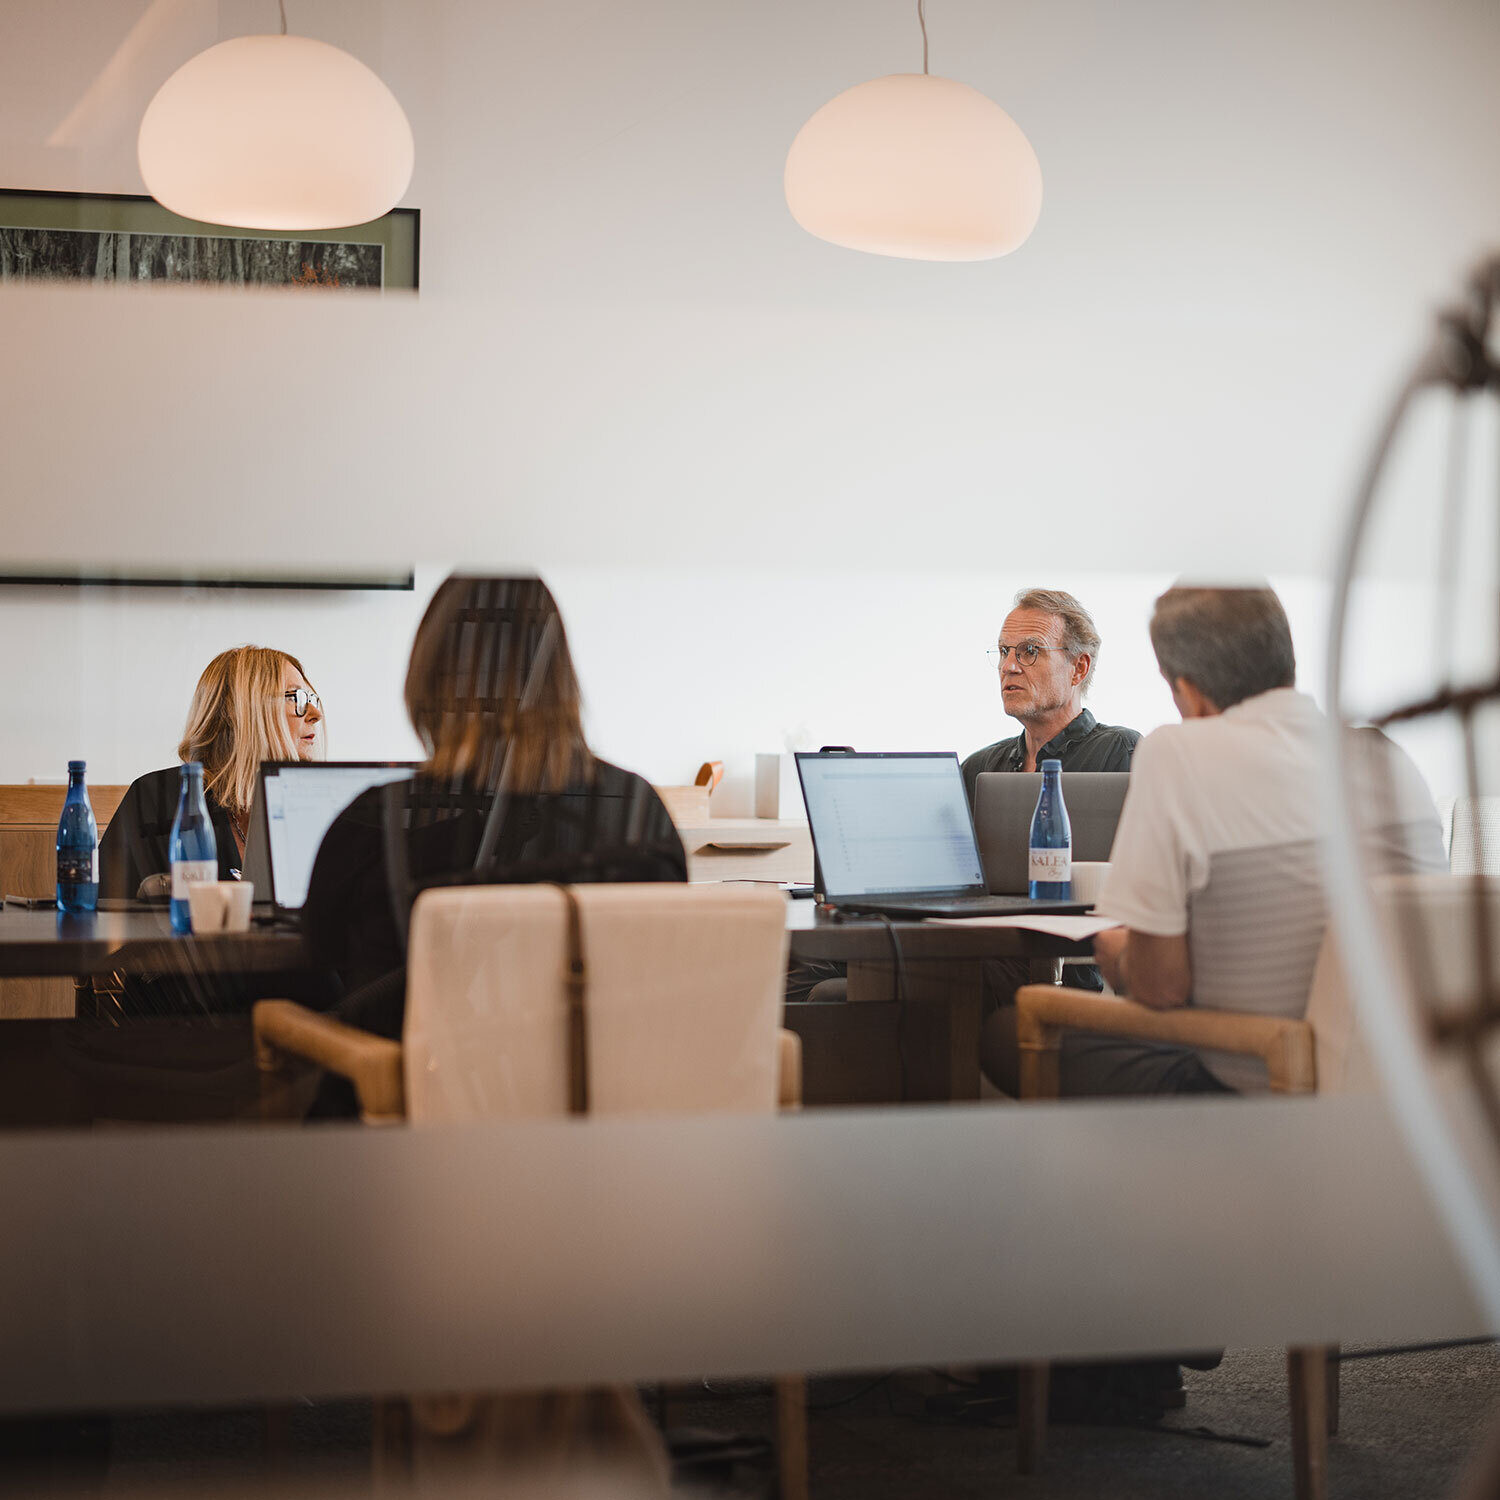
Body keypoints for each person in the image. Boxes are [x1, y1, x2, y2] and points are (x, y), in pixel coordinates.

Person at [983, 583, 1446, 1098]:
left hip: (1257, 1080)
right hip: (1409, 1099)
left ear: (1188, 689)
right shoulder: (1389, 759)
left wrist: (1114, 945)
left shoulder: (1180, 753)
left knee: (1006, 1033)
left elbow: (1160, 986)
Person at [301, 574, 687, 1044]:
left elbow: (317, 972)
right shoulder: (638, 812)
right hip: (597, 1106)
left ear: (428, 680)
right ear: (560, 677)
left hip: (418, 1103)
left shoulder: (378, 823)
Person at [100, 646, 324, 900]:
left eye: (312, 700)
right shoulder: (157, 800)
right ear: (243, 710)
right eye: (297, 699)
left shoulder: (317, 807)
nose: (316, 715)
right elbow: (107, 922)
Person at [960, 586, 1140, 801]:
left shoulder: (1119, 752)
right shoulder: (978, 769)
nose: (1008, 666)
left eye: (1030, 651)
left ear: (1079, 668)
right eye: (1004, 651)